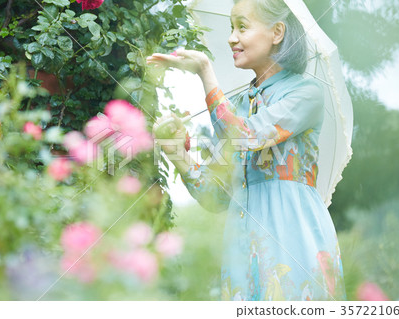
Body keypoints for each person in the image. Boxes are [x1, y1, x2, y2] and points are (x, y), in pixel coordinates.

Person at [147, 0, 346, 301]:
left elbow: (246, 135)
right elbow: (213, 194)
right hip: (243, 248)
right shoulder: (238, 106)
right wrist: (175, 148)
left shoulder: (306, 94)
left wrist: (204, 71)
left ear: (277, 32)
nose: (231, 37)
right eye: (231, 28)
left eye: (242, 26)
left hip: (292, 238)